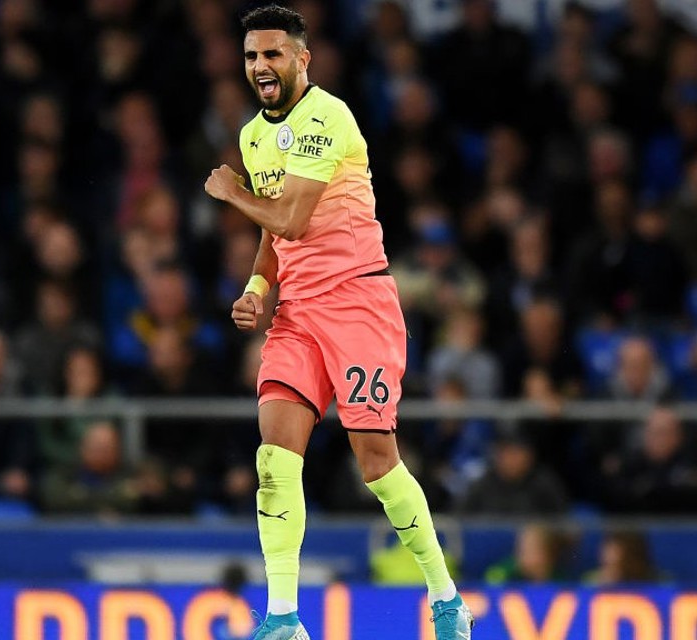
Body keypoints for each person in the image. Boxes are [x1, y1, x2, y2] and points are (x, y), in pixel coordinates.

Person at [202, 7, 471, 638]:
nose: (260, 67)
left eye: (272, 54)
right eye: (250, 57)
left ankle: (447, 599)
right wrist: (257, 286)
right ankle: (283, 619)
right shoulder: (251, 136)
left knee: (377, 463)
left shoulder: (328, 115)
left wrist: (230, 192)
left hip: (357, 305)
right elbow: (276, 235)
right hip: (297, 312)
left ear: (302, 58)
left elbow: (290, 216)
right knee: (274, 456)